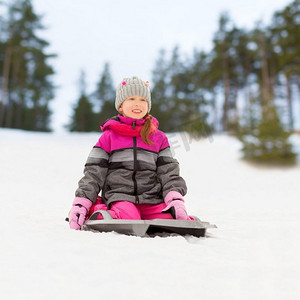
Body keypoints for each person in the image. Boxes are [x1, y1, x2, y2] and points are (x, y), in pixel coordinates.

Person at [69, 76, 191, 230]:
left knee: (169, 219)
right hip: (120, 197)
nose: (137, 104)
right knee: (129, 217)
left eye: (142, 100)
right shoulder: (109, 137)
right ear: (120, 105)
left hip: (151, 199)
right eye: (131, 98)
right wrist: (82, 203)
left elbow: (168, 171)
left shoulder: (159, 138)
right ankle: (98, 209)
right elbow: (94, 172)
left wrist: (174, 199)